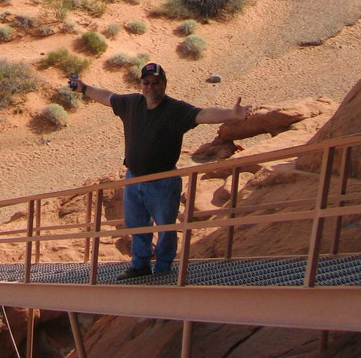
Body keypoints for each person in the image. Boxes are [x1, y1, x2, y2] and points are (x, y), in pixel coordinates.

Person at [71, 63, 251, 280]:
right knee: (137, 225)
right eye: (146, 83)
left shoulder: (176, 110)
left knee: (165, 227)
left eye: (156, 83)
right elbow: (107, 96)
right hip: (134, 178)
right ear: (141, 85)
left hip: (163, 181)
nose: (150, 87)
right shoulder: (131, 103)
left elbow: (203, 114)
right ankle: (141, 265)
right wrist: (83, 88)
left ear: (164, 84)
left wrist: (231, 114)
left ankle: (164, 268)